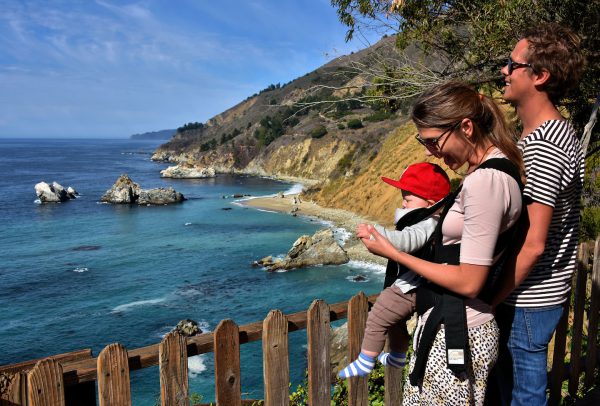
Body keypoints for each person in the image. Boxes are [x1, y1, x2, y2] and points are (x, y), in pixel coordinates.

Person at [360, 81, 524, 404]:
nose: (429, 152)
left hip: (457, 333)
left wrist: (394, 253)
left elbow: (470, 279)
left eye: (434, 141)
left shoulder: (484, 182)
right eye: (424, 141)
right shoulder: (497, 169)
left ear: (466, 127)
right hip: (457, 324)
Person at [488, 23, 585, 405]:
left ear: (539, 76)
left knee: (523, 397)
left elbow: (533, 243)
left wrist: (491, 298)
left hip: (527, 299)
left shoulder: (543, 146)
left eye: (512, 65)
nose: (504, 71)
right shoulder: (560, 132)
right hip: (543, 294)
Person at [338, 162, 451, 378]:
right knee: (395, 322)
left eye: (408, 199)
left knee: (378, 317)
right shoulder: (429, 220)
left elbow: (405, 241)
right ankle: (398, 356)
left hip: (410, 287)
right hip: (415, 284)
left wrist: (375, 232)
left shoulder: (429, 222)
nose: (403, 203)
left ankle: (365, 361)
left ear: (429, 202)